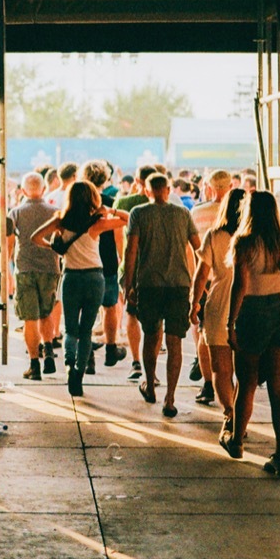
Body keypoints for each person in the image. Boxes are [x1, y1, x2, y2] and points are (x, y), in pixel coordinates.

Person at [221, 191, 280, 478]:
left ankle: (237, 441)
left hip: (252, 312)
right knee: (278, 389)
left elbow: (239, 285)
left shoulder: (244, 242)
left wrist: (230, 324)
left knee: (247, 383)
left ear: (249, 212)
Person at [32, 181, 127, 397]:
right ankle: (79, 375)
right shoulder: (97, 223)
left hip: (71, 278)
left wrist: (56, 247)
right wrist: (110, 209)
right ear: (93, 198)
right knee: (86, 331)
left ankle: (68, 366)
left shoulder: (61, 221)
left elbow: (34, 238)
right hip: (95, 278)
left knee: (71, 329)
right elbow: (127, 218)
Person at [123, 174, 201, 416]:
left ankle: (150, 383)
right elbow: (198, 247)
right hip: (179, 285)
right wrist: (200, 281)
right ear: (168, 189)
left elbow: (131, 251)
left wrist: (129, 285)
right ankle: (170, 398)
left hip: (149, 284)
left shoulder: (138, 213)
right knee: (175, 341)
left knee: (151, 335)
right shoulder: (183, 213)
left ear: (147, 191)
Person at [190, 187, 245, 437]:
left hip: (219, 302)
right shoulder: (255, 237)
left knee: (221, 369)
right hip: (248, 305)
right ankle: (241, 416)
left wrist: (194, 303)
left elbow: (202, 274)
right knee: (244, 370)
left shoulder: (214, 235)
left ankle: (230, 414)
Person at [8, 172, 61, 380]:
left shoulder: (16, 212)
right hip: (50, 267)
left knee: (30, 318)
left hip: (25, 268)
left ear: (23, 191)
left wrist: (8, 270)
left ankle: (34, 364)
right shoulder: (55, 211)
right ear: (44, 189)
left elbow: (10, 243)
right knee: (46, 313)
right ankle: (48, 352)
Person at [189, 170, 233, 405]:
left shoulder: (197, 212)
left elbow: (192, 250)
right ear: (231, 186)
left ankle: (208, 382)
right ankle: (231, 381)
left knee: (205, 334)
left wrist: (195, 288)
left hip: (207, 278)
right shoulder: (240, 215)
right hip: (234, 281)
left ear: (208, 186)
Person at [83, 160, 127, 371]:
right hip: (107, 259)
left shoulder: (78, 203)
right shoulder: (110, 202)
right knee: (109, 306)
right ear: (105, 179)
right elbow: (119, 234)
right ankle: (111, 347)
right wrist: (122, 257)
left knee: (85, 308)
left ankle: (88, 351)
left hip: (83, 259)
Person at [116, 165, 157, 383]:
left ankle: (136, 361)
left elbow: (117, 235)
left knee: (131, 314)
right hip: (156, 268)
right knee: (154, 321)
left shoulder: (125, 203)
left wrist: (122, 261)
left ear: (138, 182)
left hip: (132, 266)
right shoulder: (170, 205)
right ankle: (151, 367)